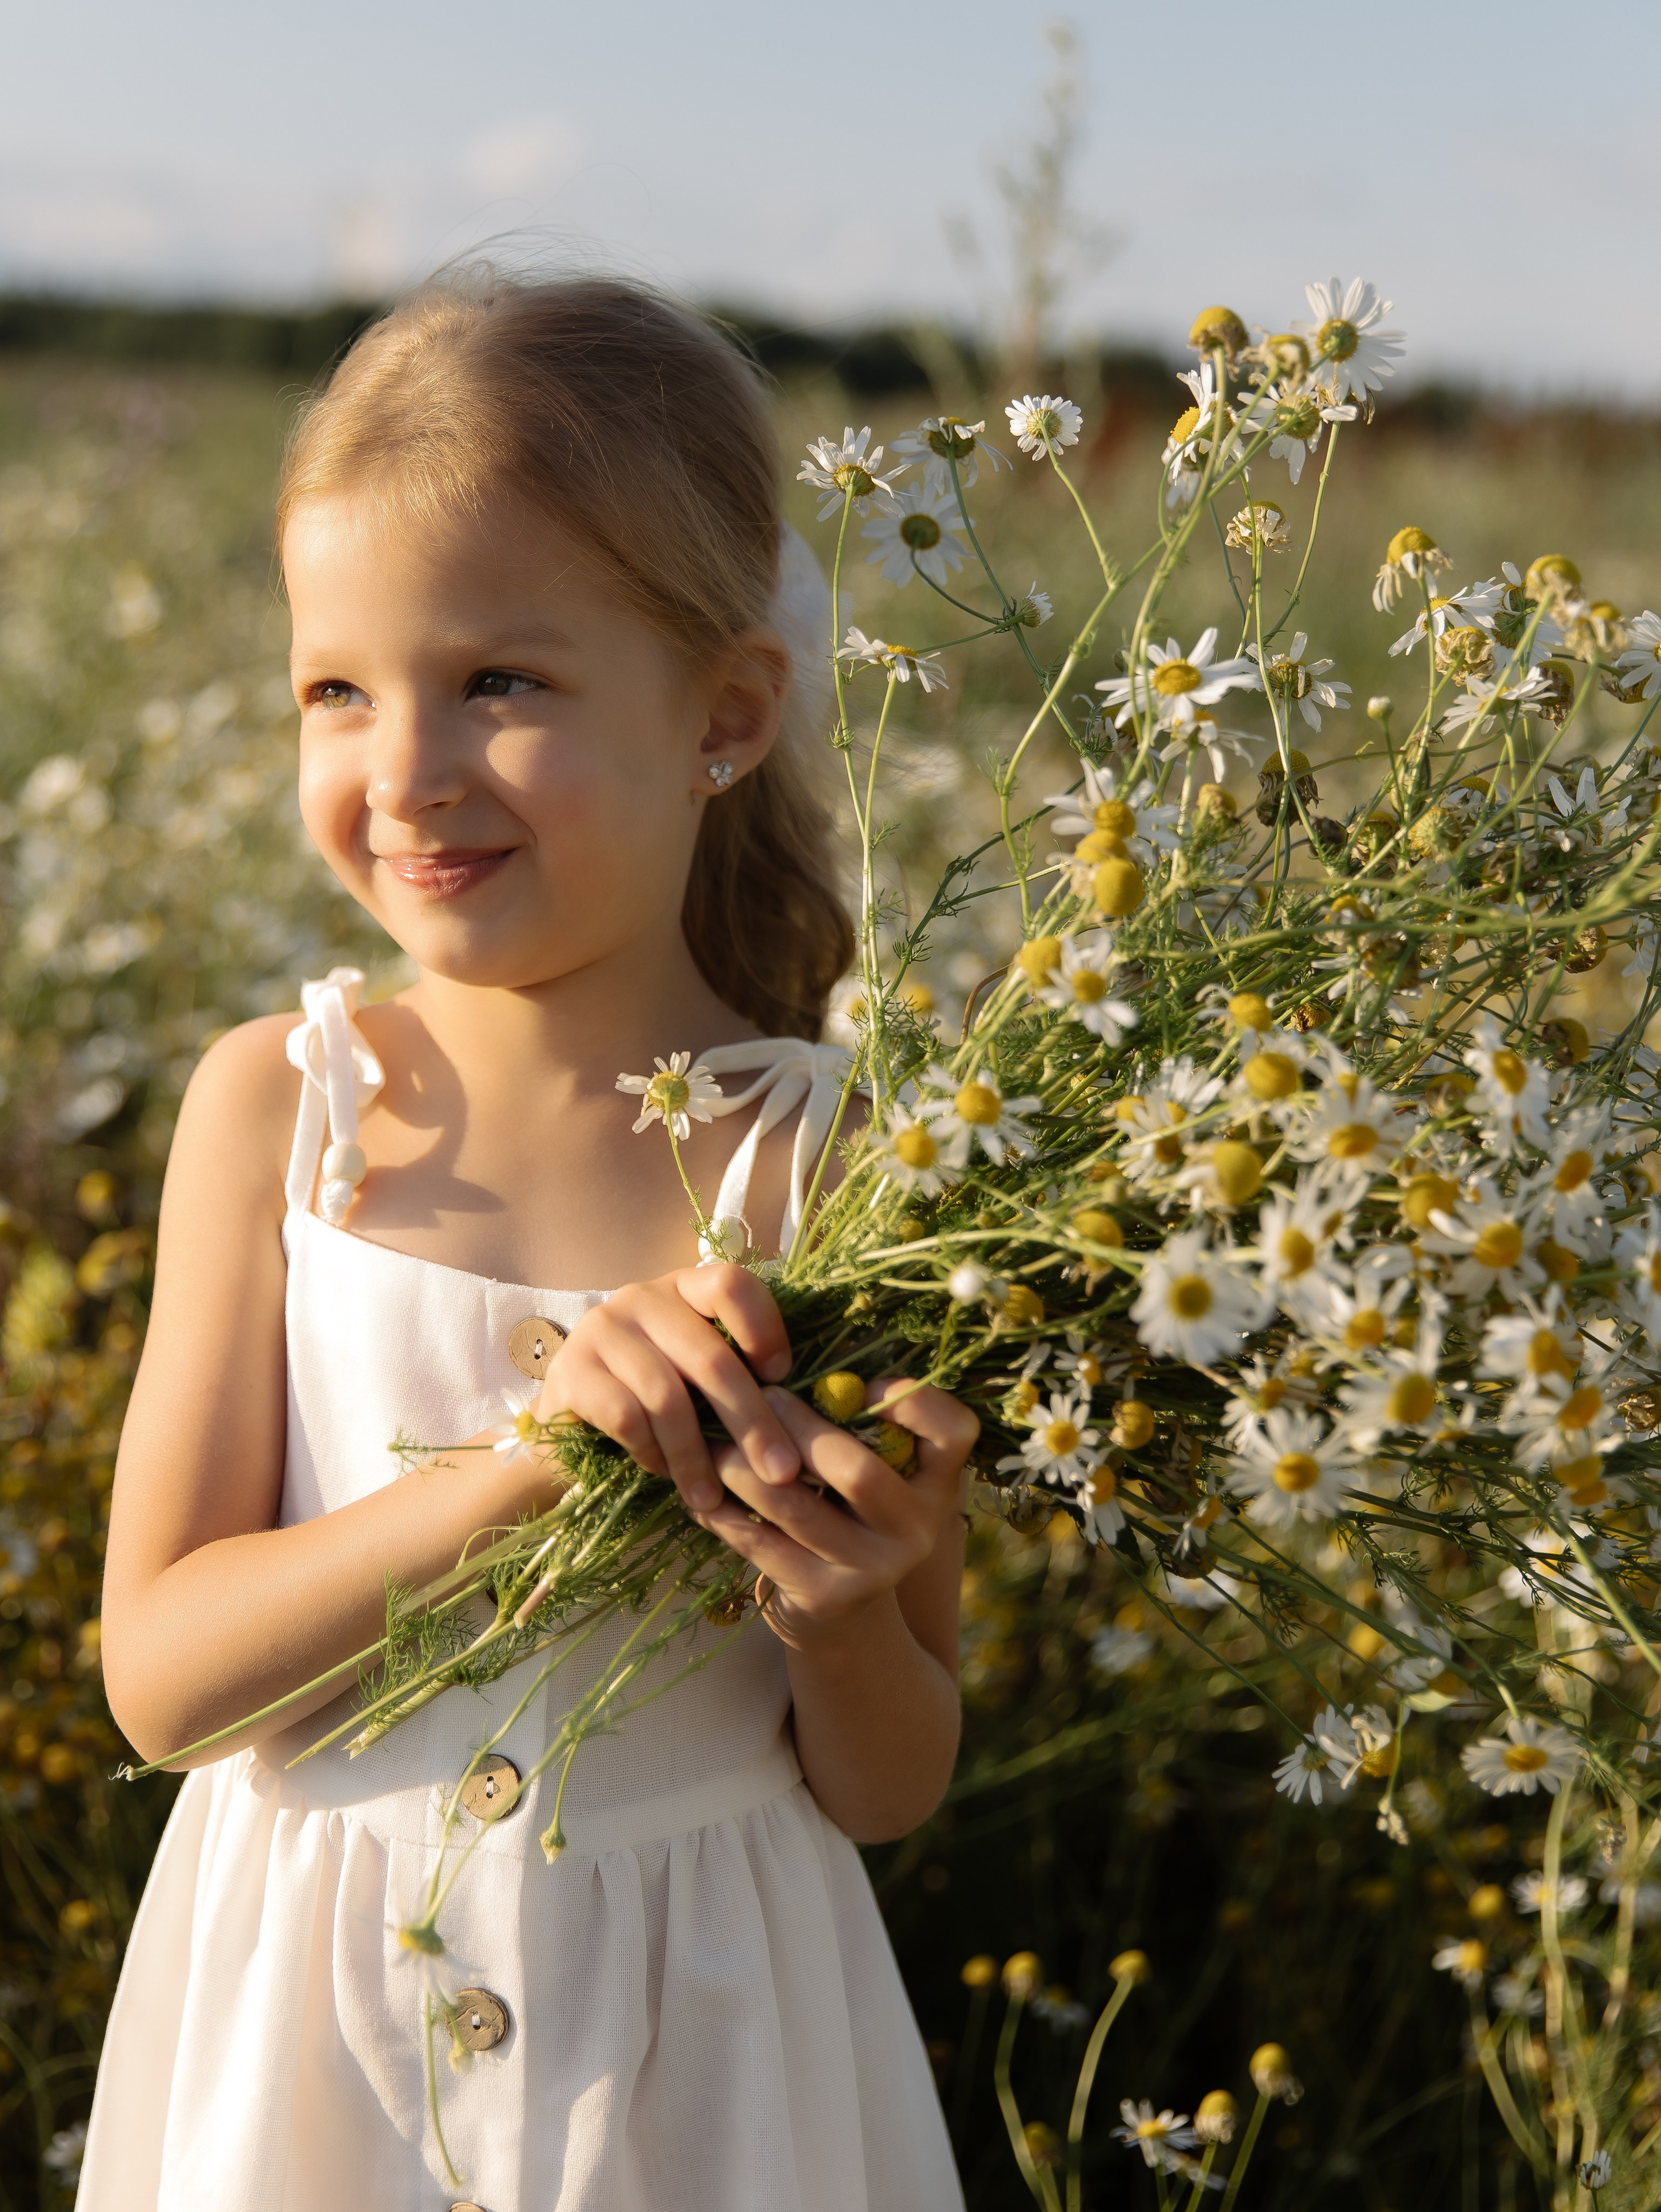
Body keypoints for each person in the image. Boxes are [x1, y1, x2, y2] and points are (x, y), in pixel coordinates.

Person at [82, 272, 975, 2211]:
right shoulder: (286, 1116)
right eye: (338, 688)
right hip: (314, 2051)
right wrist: (538, 1465)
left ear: (724, 712)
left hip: (704, 2065)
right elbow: (161, 1678)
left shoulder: (841, 1175)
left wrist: (840, 1609)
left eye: (500, 682)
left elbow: (893, 1781)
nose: (403, 769)